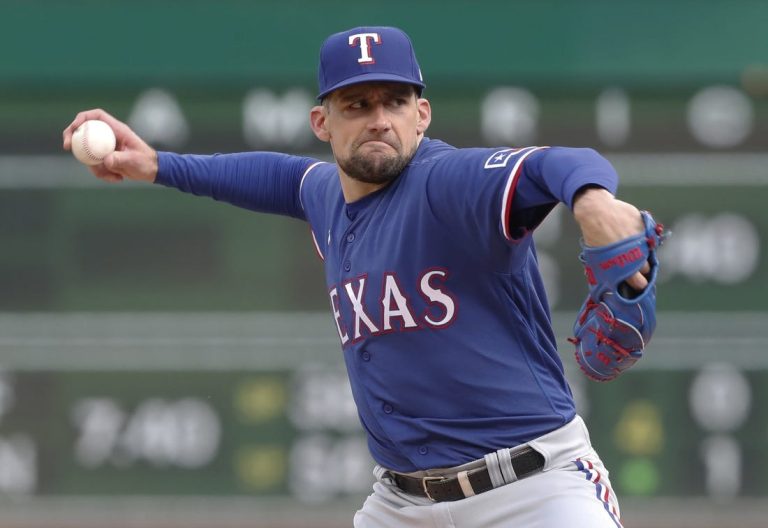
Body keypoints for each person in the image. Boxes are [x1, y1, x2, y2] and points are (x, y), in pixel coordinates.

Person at [63, 26, 654, 528]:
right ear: (323, 122)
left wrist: (592, 197)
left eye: (394, 102)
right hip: (400, 504)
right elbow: (267, 175)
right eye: (357, 105)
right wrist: (158, 164)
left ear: (421, 114)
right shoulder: (326, 196)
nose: (378, 119)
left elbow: (557, 163)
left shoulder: (449, 183)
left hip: (534, 492)